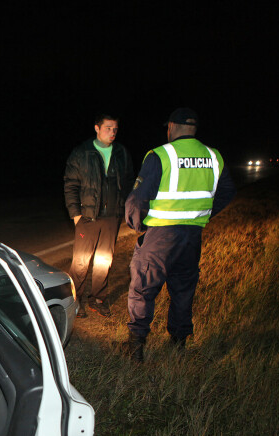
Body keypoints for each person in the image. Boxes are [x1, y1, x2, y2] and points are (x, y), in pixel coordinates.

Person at [124, 108, 236, 362]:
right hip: (191, 237)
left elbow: (138, 198)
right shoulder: (213, 156)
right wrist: (201, 214)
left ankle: (135, 346)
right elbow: (228, 190)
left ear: (172, 127)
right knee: (184, 290)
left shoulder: (162, 155)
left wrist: (138, 224)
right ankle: (178, 344)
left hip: (160, 236)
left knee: (143, 288)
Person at [64, 114, 134, 317]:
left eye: (115, 129)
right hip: (87, 216)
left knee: (105, 260)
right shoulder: (82, 152)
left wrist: (124, 210)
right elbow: (70, 184)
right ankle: (74, 300)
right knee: (80, 261)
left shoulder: (121, 153)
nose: (112, 132)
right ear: (97, 128)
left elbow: (129, 183)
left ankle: (98, 298)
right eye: (108, 128)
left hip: (112, 217)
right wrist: (75, 214)